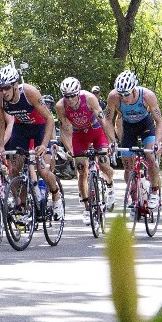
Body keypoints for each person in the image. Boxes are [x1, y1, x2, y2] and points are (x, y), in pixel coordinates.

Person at [0, 65, 63, 220]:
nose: (3, 92)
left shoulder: (29, 92)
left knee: (42, 170)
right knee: (14, 169)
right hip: (21, 129)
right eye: (0, 88)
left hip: (40, 128)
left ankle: (56, 195)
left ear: (15, 85)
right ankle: (22, 206)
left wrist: (44, 144)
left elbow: (50, 119)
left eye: (6, 88)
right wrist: (2, 146)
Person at [55, 76, 117, 225]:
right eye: (66, 96)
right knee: (81, 169)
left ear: (78, 93)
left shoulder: (89, 98)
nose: (69, 99)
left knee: (103, 163)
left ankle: (109, 185)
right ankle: (87, 207)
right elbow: (65, 129)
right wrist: (70, 150)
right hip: (79, 135)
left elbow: (103, 120)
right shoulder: (60, 106)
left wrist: (111, 142)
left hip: (96, 132)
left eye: (72, 96)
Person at [103, 70, 162, 210]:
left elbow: (159, 122)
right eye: (121, 94)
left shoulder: (147, 96)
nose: (124, 98)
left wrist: (158, 142)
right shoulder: (113, 97)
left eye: (126, 94)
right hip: (128, 128)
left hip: (146, 126)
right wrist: (112, 141)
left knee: (150, 156)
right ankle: (134, 196)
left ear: (134, 89)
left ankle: (154, 190)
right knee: (127, 166)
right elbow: (107, 120)